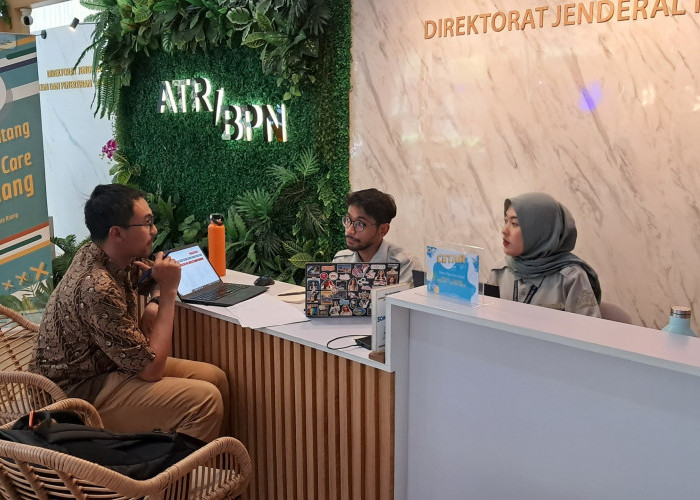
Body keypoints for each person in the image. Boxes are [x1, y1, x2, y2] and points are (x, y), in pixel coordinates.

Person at [31, 184, 229, 442]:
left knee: (214, 378)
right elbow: (151, 370)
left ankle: (212, 460)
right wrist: (168, 294)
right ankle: (168, 469)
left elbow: (154, 276)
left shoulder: (112, 255)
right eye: (147, 223)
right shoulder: (96, 286)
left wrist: (155, 301)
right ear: (117, 233)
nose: (154, 230)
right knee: (205, 400)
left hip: (108, 368)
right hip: (72, 397)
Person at [488, 192, 602, 317]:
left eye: (514, 223)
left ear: (540, 231)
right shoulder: (500, 271)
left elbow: (587, 327)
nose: (504, 231)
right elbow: (486, 317)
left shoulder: (571, 277)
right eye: (505, 221)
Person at [333, 188, 418, 284]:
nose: (350, 230)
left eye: (360, 224)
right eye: (348, 220)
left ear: (383, 230)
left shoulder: (406, 265)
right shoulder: (341, 260)